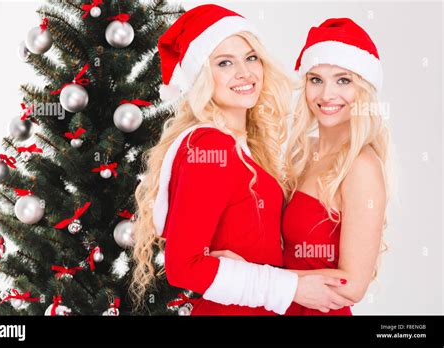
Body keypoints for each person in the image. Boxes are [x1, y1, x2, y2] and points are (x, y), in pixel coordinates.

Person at [129, 5, 352, 315]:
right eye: (224, 63)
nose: (245, 73)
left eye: (250, 58)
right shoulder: (211, 147)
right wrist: (293, 288)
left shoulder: (244, 146)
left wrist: (298, 281)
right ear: (202, 76)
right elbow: (184, 267)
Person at [281, 17, 390, 315]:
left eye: (343, 80)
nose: (326, 95)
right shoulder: (304, 154)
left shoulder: (361, 166)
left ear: (363, 89)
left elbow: (351, 286)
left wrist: (264, 281)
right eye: (315, 80)